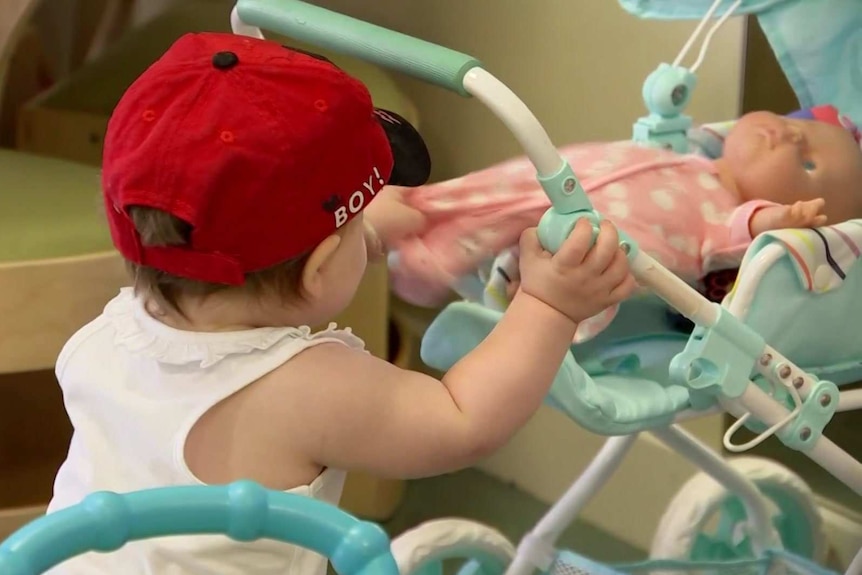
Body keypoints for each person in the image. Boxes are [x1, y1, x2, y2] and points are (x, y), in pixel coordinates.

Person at [44, 32, 636, 575]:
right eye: (352, 228)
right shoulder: (304, 388)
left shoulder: (106, 335)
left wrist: (356, 231)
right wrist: (550, 304)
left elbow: (259, 255)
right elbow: (462, 419)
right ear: (322, 265)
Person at [378, 105, 862, 339]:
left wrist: (781, 220)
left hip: (587, 237)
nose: (791, 138)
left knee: (514, 216)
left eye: (808, 165)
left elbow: (745, 237)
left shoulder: (730, 216)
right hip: (570, 180)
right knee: (507, 183)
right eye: (801, 128)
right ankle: (425, 206)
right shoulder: (694, 156)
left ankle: (430, 262)